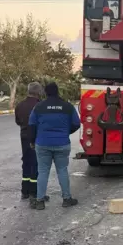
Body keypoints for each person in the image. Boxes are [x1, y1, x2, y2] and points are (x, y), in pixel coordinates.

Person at [28, 82, 81, 210]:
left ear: (45, 93)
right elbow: (77, 123)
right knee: (62, 170)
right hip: (62, 143)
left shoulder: (38, 107)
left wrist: (32, 141)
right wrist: (65, 132)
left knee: (43, 172)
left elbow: (32, 125)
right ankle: (66, 199)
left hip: (42, 144)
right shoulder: (67, 107)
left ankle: (40, 201)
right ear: (58, 92)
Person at [14, 82, 43, 201]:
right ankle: (34, 192)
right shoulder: (40, 106)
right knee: (35, 164)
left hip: (24, 136)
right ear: (38, 92)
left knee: (26, 162)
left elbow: (18, 121)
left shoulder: (20, 105)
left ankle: (24, 191)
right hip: (37, 137)